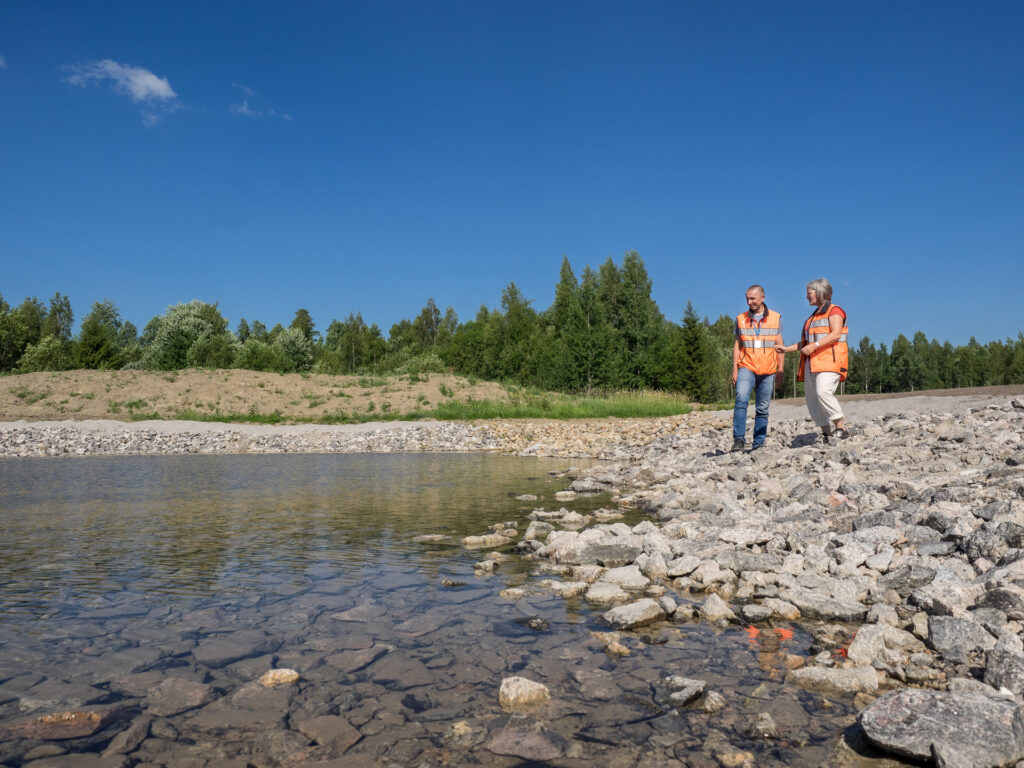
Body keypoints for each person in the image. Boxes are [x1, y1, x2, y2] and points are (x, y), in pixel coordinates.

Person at [775, 278, 849, 444]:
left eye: (809, 293)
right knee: (813, 399)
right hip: (811, 363)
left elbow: (836, 334)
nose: (806, 296)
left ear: (821, 292)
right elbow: (806, 342)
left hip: (829, 361)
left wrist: (814, 346)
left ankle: (841, 428)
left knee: (823, 392)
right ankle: (826, 434)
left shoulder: (835, 311)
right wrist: (786, 349)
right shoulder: (812, 318)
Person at [731, 284, 784, 451]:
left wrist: (780, 370)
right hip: (746, 366)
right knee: (741, 399)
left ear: (762, 298)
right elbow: (737, 345)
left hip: (768, 369)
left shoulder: (775, 318)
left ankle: (758, 443)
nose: (749, 302)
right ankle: (738, 439)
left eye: (752, 298)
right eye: (747, 299)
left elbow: (780, 346)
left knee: (762, 407)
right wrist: (734, 369)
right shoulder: (741, 319)